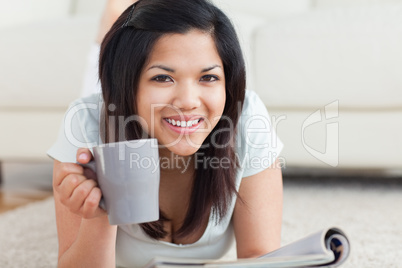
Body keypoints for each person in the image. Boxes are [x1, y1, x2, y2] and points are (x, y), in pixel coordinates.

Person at [48, 0, 284, 267]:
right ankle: (114, 15)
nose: (188, 101)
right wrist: (98, 213)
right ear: (129, 85)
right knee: (102, 84)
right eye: (163, 77)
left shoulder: (246, 117)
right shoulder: (84, 124)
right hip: (118, 115)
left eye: (208, 77)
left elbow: (259, 256)